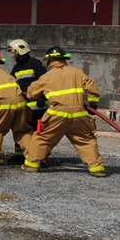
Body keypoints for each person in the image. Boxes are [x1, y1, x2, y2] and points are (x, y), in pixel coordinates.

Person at [22, 46, 107, 177]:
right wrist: (93, 103)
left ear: (49, 61)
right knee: (86, 140)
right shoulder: (77, 73)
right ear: (64, 59)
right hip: (79, 115)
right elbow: (91, 86)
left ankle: (32, 165)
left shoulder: (47, 76)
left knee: (42, 138)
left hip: (57, 115)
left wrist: (41, 95)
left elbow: (31, 93)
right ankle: (97, 169)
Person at [7, 39, 46, 163]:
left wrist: (42, 97)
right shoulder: (16, 69)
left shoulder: (35, 64)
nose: (13, 55)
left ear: (20, 51)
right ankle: (19, 155)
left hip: (38, 107)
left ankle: (39, 158)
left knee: (37, 133)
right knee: (21, 129)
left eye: (14, 52)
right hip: (24, 106)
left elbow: (45, 81)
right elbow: (12, 84)